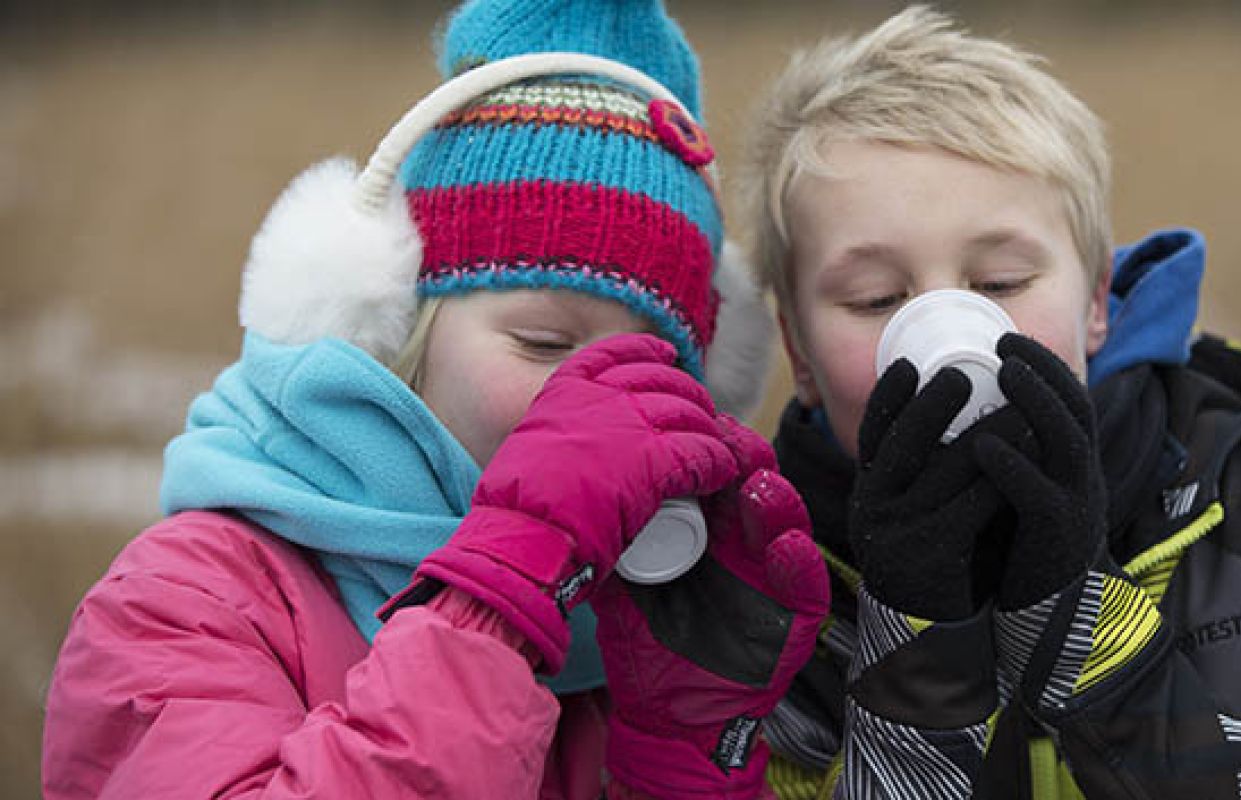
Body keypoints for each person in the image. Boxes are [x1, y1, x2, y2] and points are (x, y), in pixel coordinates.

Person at [41, 0, 827, 797]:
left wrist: (682, 753)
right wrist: (503, 589)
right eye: (544, 343)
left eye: (653, 366)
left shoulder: (642, 635)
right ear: (400, 330)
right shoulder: (189, 599)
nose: (598, 402)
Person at [736, 6, 1241, 799]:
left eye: (1001, 284)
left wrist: (1085, 631)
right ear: (797, 351)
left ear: (1096, 303)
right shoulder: (756, 588)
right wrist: (913, 652)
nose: (953, 342)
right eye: (876, 298)